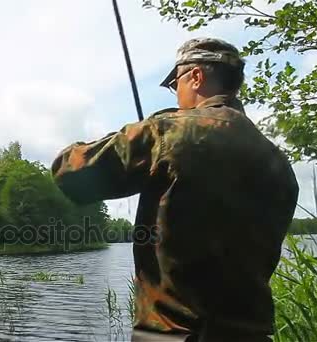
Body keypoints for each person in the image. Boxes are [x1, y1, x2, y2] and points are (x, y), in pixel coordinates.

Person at [50, 37, 299, 342]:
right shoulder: (277, 161)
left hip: (175, 335)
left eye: (175, 83)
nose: (176, 93)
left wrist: (145, 131)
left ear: (195, 76)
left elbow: (69, 172)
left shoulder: (170, 131)